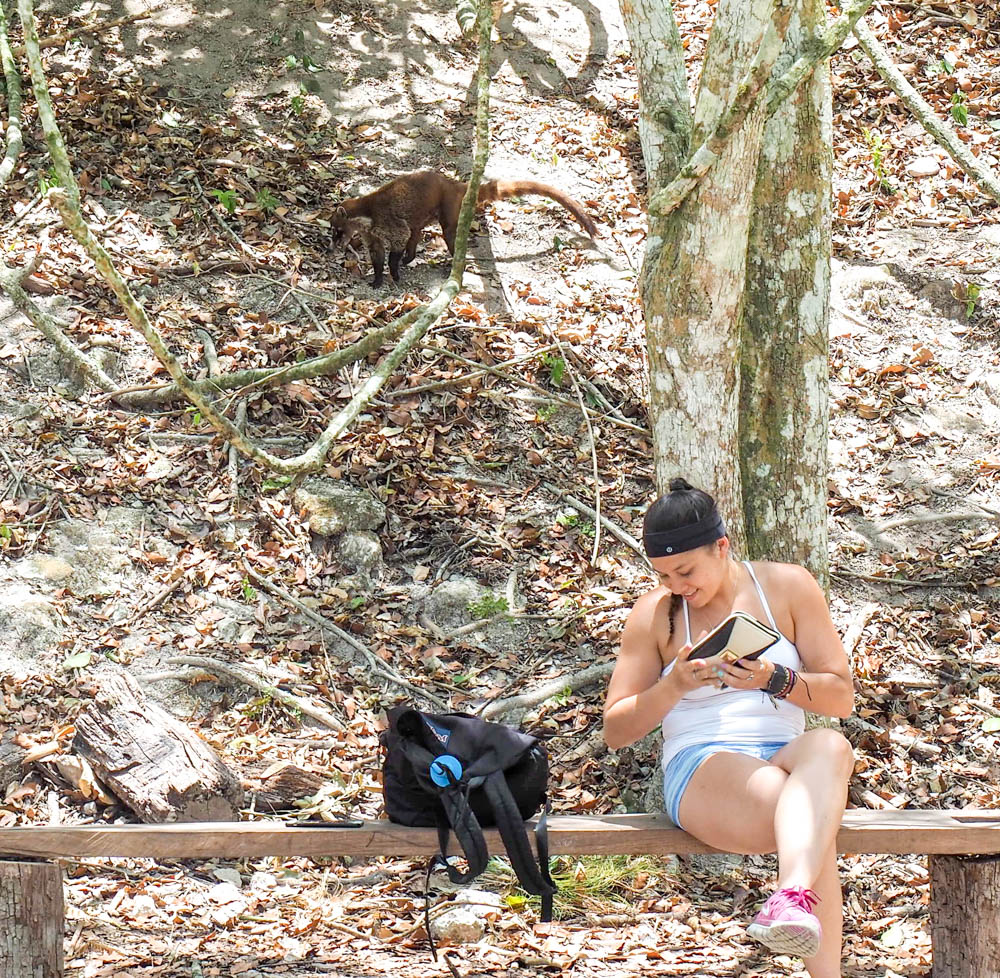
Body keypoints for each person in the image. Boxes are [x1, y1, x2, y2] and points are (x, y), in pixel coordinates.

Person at [603, 479, 855, 978]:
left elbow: (841, 697)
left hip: (786, 752)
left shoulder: (788, 587)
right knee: (804, 808)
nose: (677, 587)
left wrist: (774, 679)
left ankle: (789, 898)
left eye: (686, 571)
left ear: (722, 547)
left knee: (830, 745)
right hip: (702, 762)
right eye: (663, 574)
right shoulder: (653, 615)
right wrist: (673, 686)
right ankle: (807, 929)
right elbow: (615, 730)